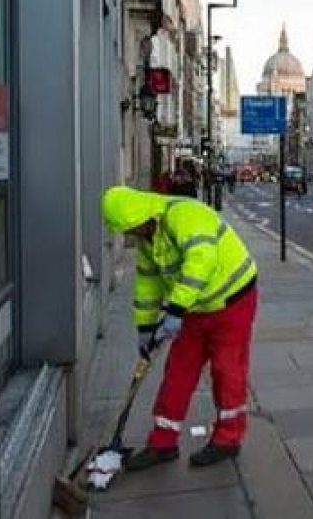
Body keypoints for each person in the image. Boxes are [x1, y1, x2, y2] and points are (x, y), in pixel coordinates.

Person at [101, 186, 259, 470]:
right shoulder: (148, 239)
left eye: (134, 229)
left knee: (227, 369)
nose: (134, 235)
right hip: (193, 307)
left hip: (233, 300)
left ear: (145, 216)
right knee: (178, 371)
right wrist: (146, 328)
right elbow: (148, 284)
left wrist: (175, 310)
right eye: (129, 232)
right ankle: (162, 442)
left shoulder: (184, 214)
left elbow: (201, 262)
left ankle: (228, 438)